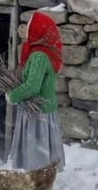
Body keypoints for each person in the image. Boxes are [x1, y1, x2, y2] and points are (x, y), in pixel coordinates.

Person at [7, 10, 66, 171]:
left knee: (36, 152)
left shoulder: (39, 56)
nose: (27, 30)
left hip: (38, 112)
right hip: (42, 109)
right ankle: (40, 174)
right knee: (41, 151)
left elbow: (33, 86)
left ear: (37, 31)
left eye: (30, 26)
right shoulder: (43, 53)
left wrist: (12, 96)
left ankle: (37, 175)